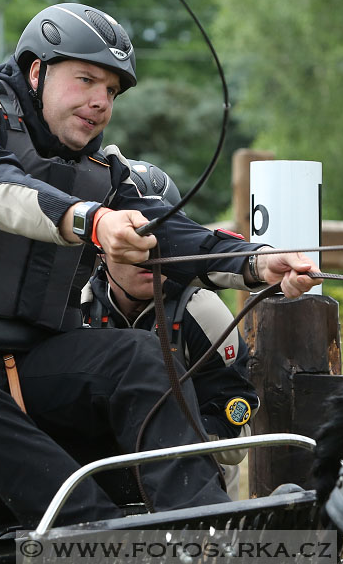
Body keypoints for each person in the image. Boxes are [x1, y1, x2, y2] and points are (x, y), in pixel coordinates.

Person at [0, 2, 322, 526]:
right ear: (36, 71)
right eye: (86, 79)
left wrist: (258, 262)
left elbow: (171, 231)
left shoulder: (104, 172)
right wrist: (91, 220)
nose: (100, 101)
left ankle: (205, 536)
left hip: (26, 358)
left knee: (142, 356)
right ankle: (100, 544)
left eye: (112, 90)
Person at [80, 161, 257, 500]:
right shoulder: (79, 307)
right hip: (105, 496)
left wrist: (156, 435)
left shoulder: (202, 312)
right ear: (103, 247)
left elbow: (235, 439)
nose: (150, 249)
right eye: (134, 239)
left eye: (163, 237)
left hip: (196, 499)